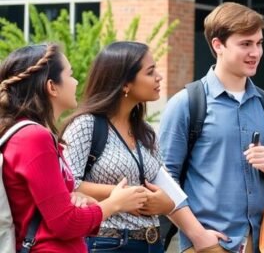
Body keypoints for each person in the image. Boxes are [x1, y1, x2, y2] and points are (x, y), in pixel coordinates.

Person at [160, 2, 264, 253]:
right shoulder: (186, 104)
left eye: (259, 43)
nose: (255, 52)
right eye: (245, 44)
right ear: (218, 45)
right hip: (209, 244)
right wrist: (198, 236)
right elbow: (164, 182)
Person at [60, 41, 224, 252]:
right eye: (150, 72)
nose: (159, 76)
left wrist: (165, 205)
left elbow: (165, 189)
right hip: (107, 243)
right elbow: (66, 184)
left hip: (152, 242)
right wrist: (127, 195)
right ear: (125, 84)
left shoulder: (145, 132)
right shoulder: (86, 124)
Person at [0, 43, 147, 252]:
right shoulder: (33, 137)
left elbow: (52, 211)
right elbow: (65, 223)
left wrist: (81, 201)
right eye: (70, 75)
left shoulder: (28, 135)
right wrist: (115, 203)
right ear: (51, 87)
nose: (77, 82)